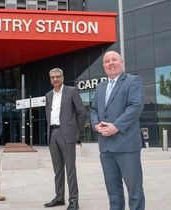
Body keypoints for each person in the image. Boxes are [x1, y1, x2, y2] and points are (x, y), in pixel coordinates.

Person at [90, 51, 145, 210]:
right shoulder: (100, 87)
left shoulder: (132, 81)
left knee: (134, 190)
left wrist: (116, 126)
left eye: (114, 59)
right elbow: (93, 110)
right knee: (113, 191)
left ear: (121, 62)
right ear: (103, 66)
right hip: (106, 147)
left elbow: (135, 107)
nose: (111, 63)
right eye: (107, 61)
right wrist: (95, 125)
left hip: (127, 146)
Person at [44, 68, 86, 210]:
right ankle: (59, 198)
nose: (55, 79)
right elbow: (48, 115)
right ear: (50, 80)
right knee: (58, 170)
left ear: (62, 77)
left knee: (70, 169)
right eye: (52, 77)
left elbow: (81, 112)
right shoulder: (48, 95)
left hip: (67, 134)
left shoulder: (71, 91)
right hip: (53, 134)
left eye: (58, 76)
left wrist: (77, 133)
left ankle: (74, 201)